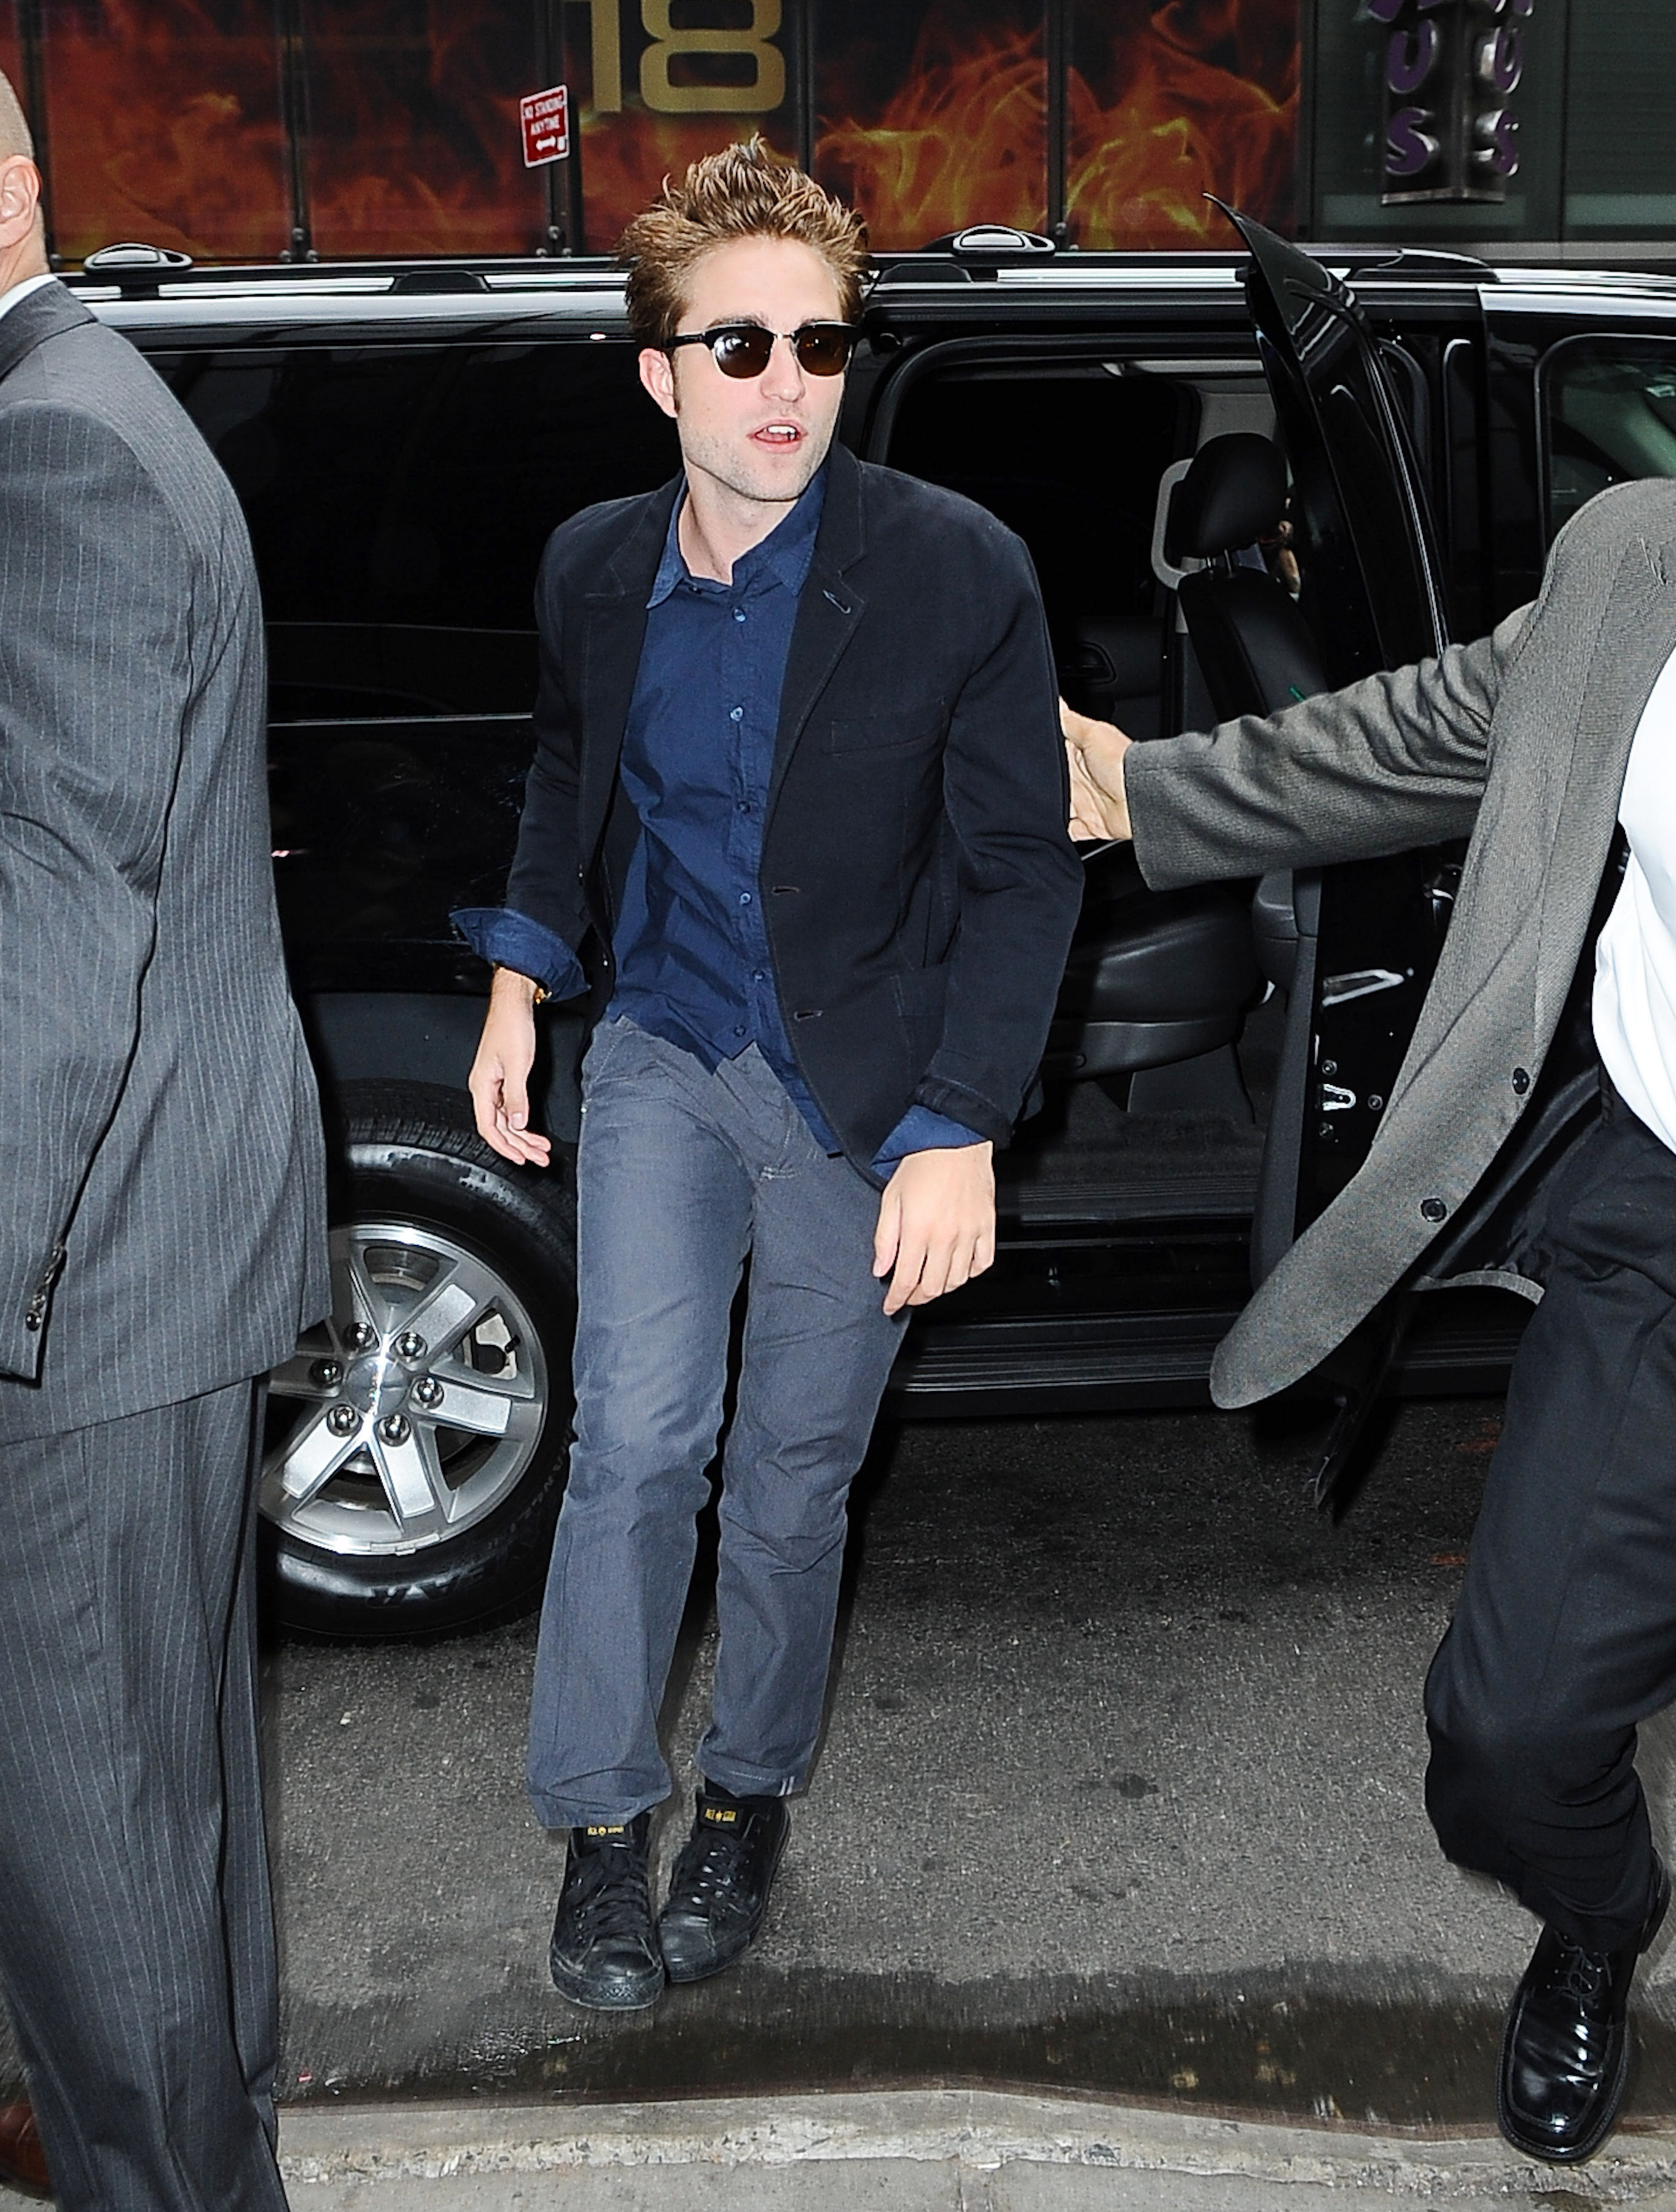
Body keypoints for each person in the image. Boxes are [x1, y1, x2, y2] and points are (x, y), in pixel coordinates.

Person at [458, 139, 1081, 2012]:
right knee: (636, 1443)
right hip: (664, 1043)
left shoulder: (954, 567)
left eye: (820, 344)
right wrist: (519, 980)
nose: (788, 383)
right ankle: (600, 1827)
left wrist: (961, 1123)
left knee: (796, 1480)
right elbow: (566, 778)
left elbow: (1021, 868)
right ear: (661, 375)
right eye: (740, 348)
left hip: (861, 1079)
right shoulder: (593, 567)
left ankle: (746, 1797)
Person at [1062, 472, 1676, 2164]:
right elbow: (1427, 731)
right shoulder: (1641, 560)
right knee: (1508, 1747)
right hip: (1657, 1217)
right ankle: (1603, 1912)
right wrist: (1138, 788)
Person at [0, 73, 328, 2212]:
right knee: (155, 1846)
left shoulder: (58, 448)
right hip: (144, 1263)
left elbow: (52, 899)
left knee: (108, 1868)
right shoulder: (71, 411)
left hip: (87, 1287)